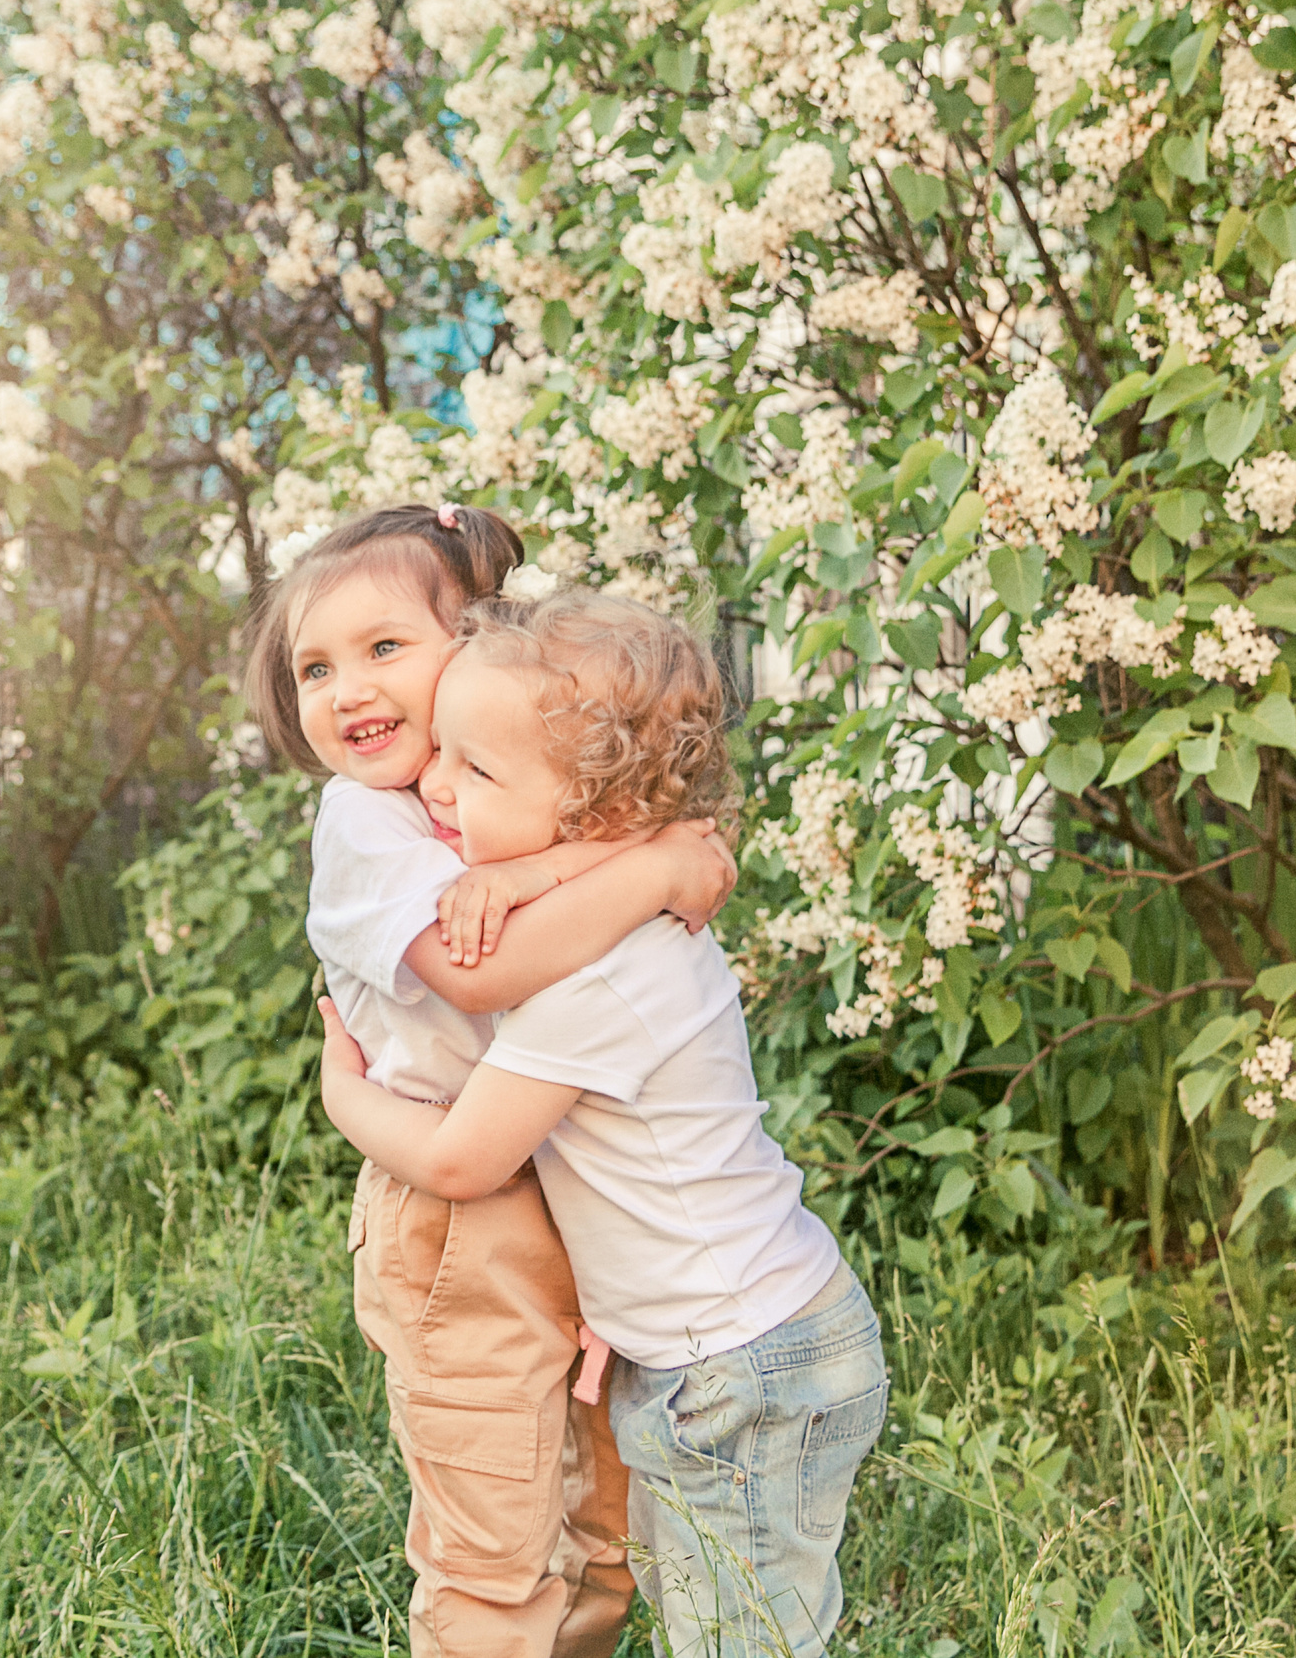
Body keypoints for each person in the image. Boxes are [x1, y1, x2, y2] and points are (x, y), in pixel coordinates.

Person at [315, 591, 888, 1658]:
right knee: (712, 1618)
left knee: (744, 1638)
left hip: (742, 1364)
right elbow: (615, 852)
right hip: (726, 1348)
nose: (434, 786)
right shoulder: (609, 914)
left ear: (592, 823)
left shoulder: (609, 971)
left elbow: (462, 1157)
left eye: (474, 771)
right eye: (441, 752)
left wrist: (340, 1089)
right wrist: (536, 864)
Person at [243, 503, 739, 1658]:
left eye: (383, 649)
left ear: (476, 652)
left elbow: (609, 838)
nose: (346, 690)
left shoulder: (486, 786)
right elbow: (485, 972)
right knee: (493, 1543)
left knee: (600, 1526)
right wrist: (655, 865)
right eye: (314, 667)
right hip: (454, 1213)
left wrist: (621, 854)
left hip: (572, 1187)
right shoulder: (363, 824)